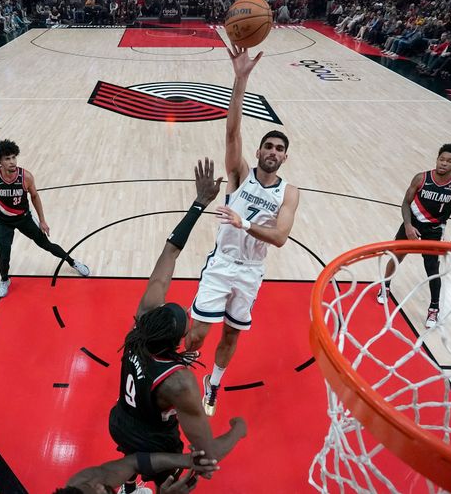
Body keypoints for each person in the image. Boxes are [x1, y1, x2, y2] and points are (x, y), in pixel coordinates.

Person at [109, 158, 247, 494]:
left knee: (130, 456)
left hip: (120, 423)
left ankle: (128, 485)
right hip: (155, 442)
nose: (189, 312)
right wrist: (238, 429)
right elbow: (208, 458)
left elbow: (170, 251)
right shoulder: (180, 382)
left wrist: (199, 204)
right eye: (187, 318)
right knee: (177, 485)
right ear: (177, 339)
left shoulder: (141, 327)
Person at [185, 45, 300, 417]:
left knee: (231, 334)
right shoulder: (240, 175)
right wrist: (241, 78)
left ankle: (213, 383)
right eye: (267, 145)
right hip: (222, 264)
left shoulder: (290, 192)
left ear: (285, 157)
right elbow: (232, 130)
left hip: (251, 272)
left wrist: (245, 222)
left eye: (279, 148)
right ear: (260, 150)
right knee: (198, 334)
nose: (272, 151)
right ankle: (181, 378)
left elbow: (280, 237)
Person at [0, 139, 89, 297]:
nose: (12, 162)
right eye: (7, 159)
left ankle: (73, 262)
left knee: (47, 245)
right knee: (4, 255)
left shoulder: (25, 176)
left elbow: (34, 196)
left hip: (24, 218)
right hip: (2, 221)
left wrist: (42, 220)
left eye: (14, 157)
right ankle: (4, 280)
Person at [377, 143, 451, 328]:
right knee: (396, 257)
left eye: (449, 161)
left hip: (434, 230)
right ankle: (385, 286)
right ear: (437, 159)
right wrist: (409, 225)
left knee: (431, 269)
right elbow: (405, 203)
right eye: (441, 159)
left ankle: (434, 308)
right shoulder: (421, 178)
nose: (443, 163)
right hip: (413, 223)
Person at [59, 449, 218, 494]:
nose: (99, 486)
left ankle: (128, 489)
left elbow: (135, 462)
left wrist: (186, 460)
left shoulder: (80, 481)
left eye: (90, 486)